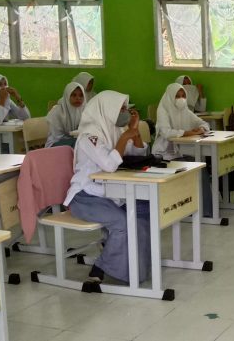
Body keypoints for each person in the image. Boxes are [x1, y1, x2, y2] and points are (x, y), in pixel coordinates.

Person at [63, 91, 151, 284]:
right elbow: (110, 165)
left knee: (143, 214)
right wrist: (126, 135)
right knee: (122, 223)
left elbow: (137, 154)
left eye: (126, 108)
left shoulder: (113, 130)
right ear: (107, 110)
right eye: (121, 109)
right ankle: (101, 266)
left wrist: (133, 132)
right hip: (86, 197)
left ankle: (136, 270)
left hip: (110, 194)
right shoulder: (89, 137)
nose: (125, 112)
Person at [152, 83, 213, 216]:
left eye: (183, 95)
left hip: (180, 152)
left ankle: (204, 210)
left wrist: (201, 129)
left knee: (201, 166)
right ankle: (197, 209)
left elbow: (203, 123)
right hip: (164, 155)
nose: (181, 99)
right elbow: (167, 133)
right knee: (197, 169)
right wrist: (189, 133)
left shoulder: (184, 110)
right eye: (177, 96)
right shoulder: (163, 110)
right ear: (170, 97)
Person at [45, 82, 85, 148]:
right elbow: (57, 136)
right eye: (74, 95)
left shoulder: (85, 110)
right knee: (79, 143)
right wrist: (74, 136)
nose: (78, 98)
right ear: (67, 95)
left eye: (81, 95)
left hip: (76, 142)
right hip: (55, 144)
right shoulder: (57, 111)